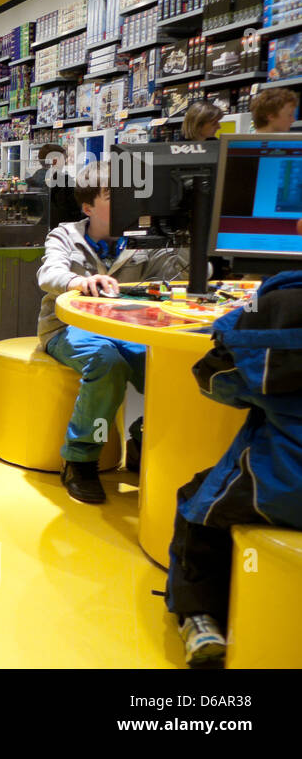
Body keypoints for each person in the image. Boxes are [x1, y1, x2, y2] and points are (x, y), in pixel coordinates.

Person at [164, 271, 302, 667]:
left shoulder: (275, 302)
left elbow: (215, 380)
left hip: (284, 483)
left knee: (199, 503)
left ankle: (198, 615)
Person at [36, 163, 190, 504]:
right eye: (111, 195)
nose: (124, 202)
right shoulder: (65, 235)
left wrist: (190, 243)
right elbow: (48, 273)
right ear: (88, 207)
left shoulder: (141, 239)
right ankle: (80, 459)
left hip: (124, 329)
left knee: (166, 369)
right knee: (108, 364)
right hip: (66, 328)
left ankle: (141, 439)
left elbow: (174, 275)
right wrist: (79, 281)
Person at [26, 143, 81, 223]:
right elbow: (74, 211)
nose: (65, 162)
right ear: (55, 160)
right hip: (61, 228)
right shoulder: (64, 181)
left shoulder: (31, 180)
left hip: (37, 226)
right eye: (63, 159)